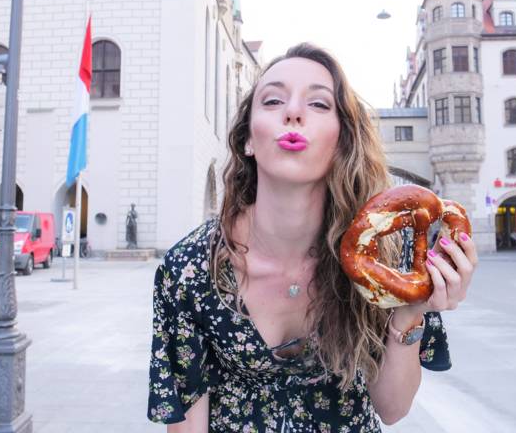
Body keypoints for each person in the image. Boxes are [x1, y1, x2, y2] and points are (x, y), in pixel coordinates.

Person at [148, 43, 478, 431]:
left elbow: (391, 407)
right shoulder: (190, 269)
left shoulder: (388, 253)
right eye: (272, 100)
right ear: (248, 141)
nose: (293, 112)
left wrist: (409, 313)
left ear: (342, 142)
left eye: (319, 104)